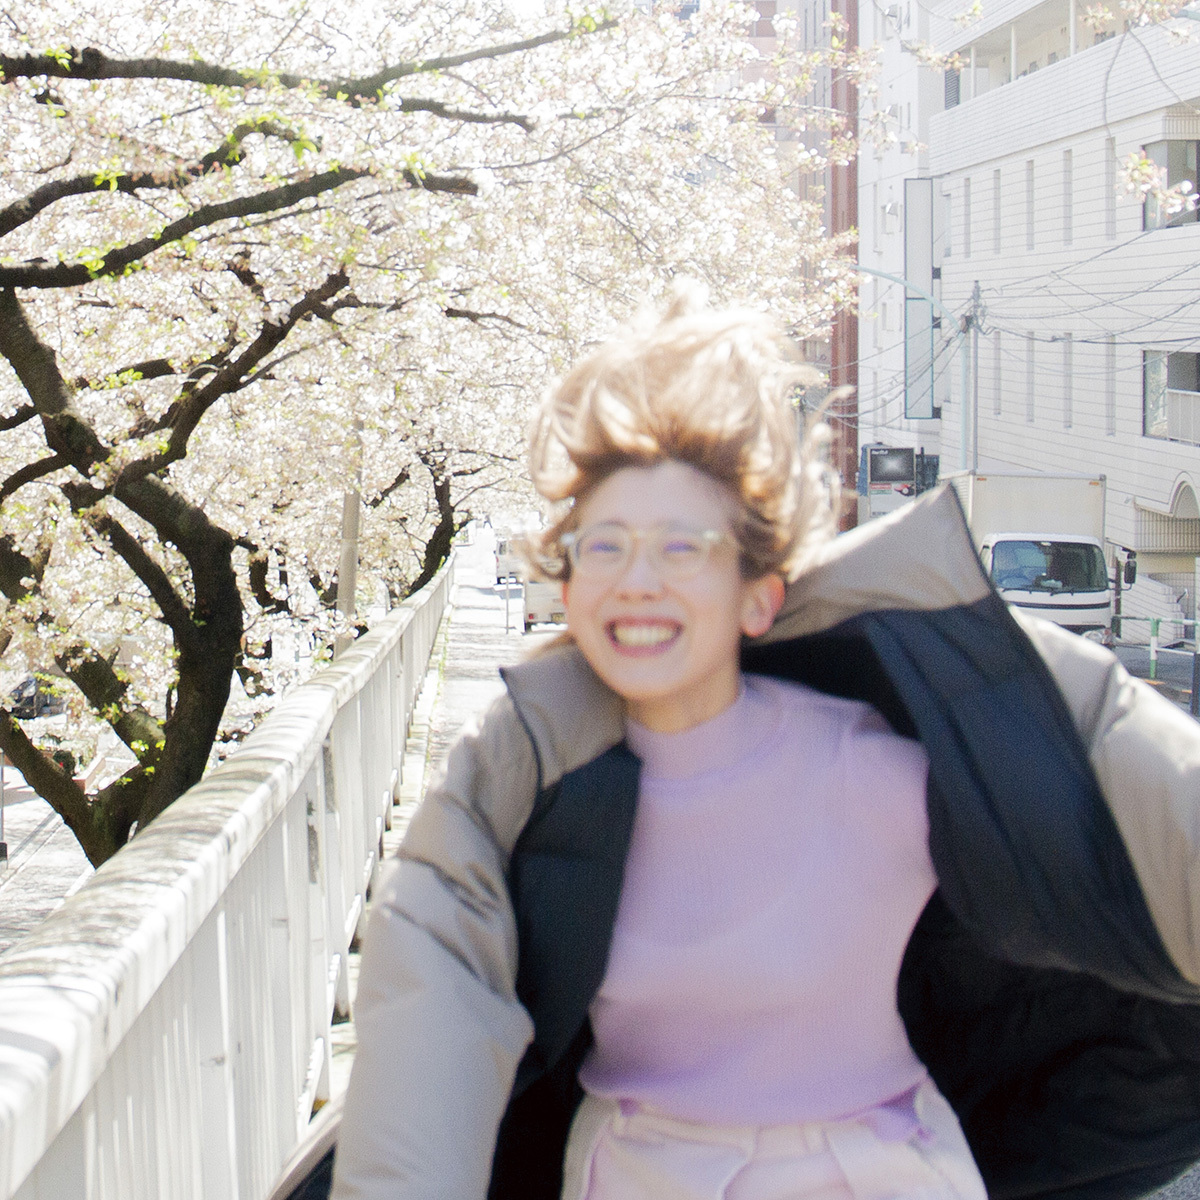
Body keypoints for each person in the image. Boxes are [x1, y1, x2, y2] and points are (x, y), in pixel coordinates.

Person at [331, 288, 1200, 1200]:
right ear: (568, 583)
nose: (638, 581)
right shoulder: (522, 782)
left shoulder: (888, 764)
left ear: (759, 597)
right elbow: (432, 1006)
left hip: (877, 1171)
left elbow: (1115, 814)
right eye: (605, 547)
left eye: (682, 548)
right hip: (637, 1173)